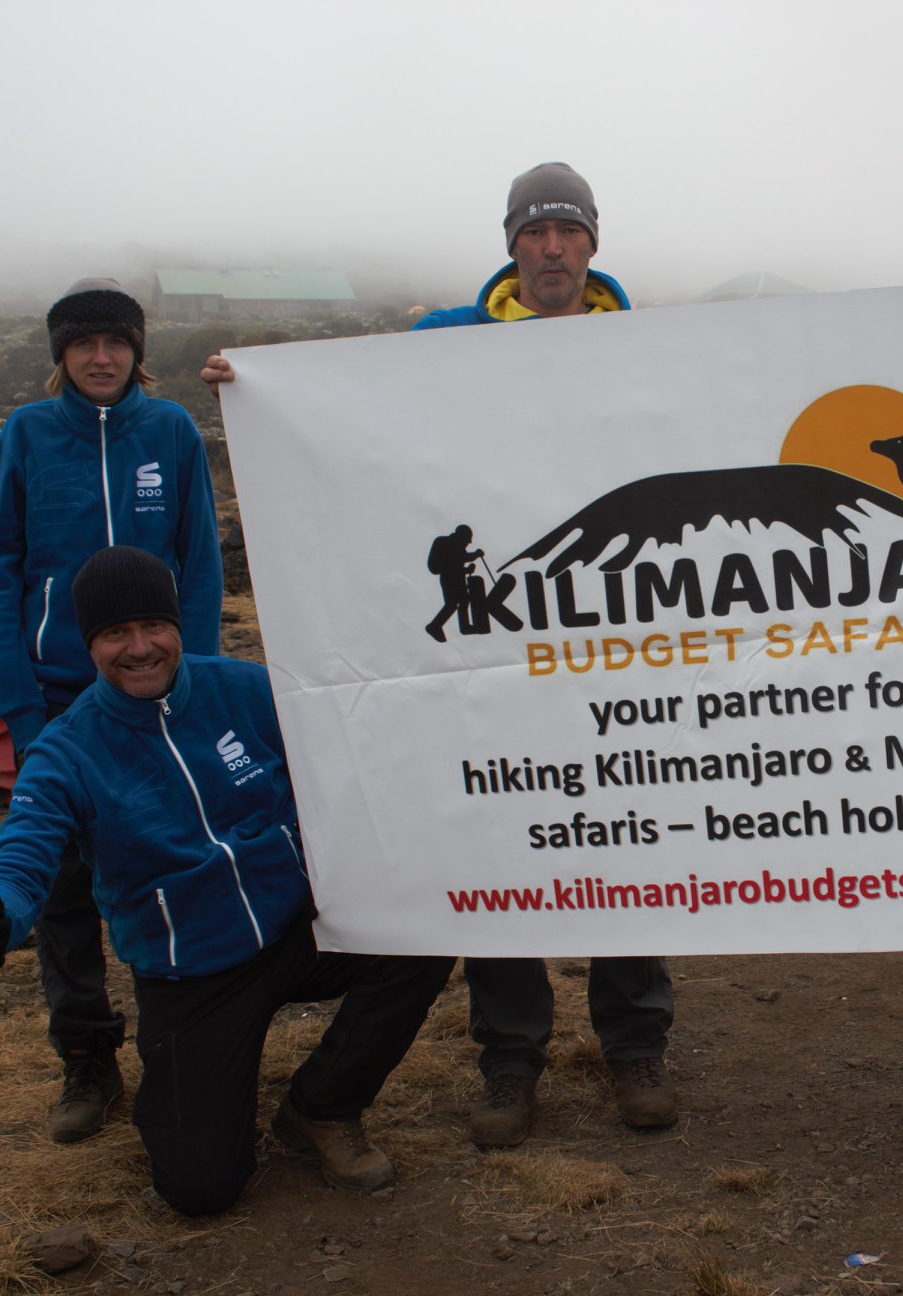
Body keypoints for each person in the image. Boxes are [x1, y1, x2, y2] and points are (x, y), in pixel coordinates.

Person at [200, 163, 677, 1149]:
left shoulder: (646, 344)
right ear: (512, 244)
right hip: (492, 638)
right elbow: (347, 410)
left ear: (593, 243)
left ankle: (635, 1046)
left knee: (625, 833)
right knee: (500, 832)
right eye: (534, 231)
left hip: (612, 638)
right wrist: (258, 390)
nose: (552, 248)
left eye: (568, 230)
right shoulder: (444, 341)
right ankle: (511, 1060)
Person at [0, 547, 453, 1215]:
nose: (140, 648)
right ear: (89, 644)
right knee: (200, 1189)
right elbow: (25, 845)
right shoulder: (67, 750)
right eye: (115, 633)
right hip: (193, 969)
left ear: (178, 626)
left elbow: (351, 759)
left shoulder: (247, 690)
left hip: (300, 927)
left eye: (153, 626)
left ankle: (323, 1106)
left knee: (423, 929)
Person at [0, 278, 223, 1143]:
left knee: (173, 866)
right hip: (56, 694)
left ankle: (181, 1039)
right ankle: (85, 1058)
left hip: (158, 690)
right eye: (83, 344)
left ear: (137, 351)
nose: (101, 357)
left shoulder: (172, 431)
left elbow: (200, 561)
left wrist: (201, 683)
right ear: (62, 356)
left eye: (116, 342)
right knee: (65, 891)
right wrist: (19, 707)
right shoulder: (29, 434)